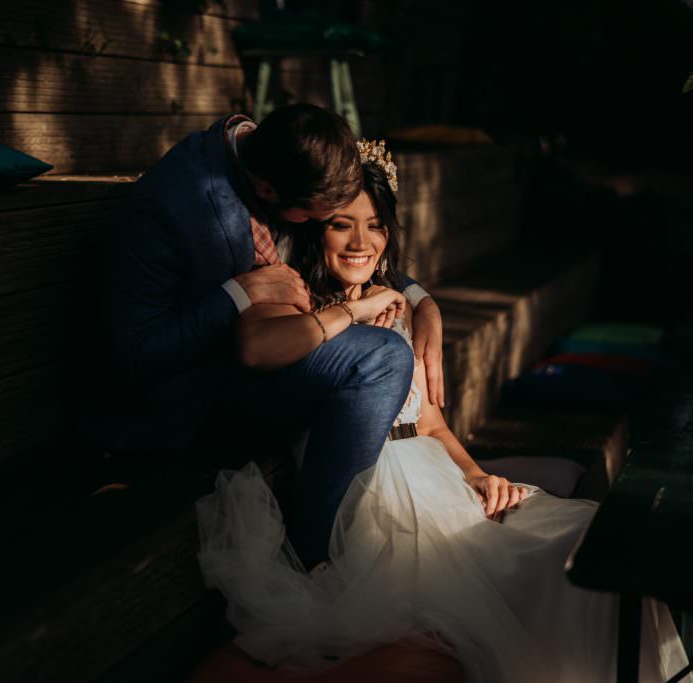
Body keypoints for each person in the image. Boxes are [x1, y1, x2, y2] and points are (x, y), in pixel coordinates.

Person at [194, 143, 690, 682]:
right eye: (342, 225)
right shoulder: (295, 297)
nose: (361, 242)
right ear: (317, 228)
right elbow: (253, 348)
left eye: (376, 225)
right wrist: (350, 312)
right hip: (371, 496)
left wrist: (478, 475)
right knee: (478, 619)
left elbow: (430, 422)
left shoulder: (401, 300)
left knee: (589, 543)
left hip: (439, 481)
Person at [100, 104, 443, 567]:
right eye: (315, 218)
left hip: (272, 351)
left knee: (382, 350)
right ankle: (319, 559)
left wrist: (421, 299)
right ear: (267, 191)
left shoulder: (278, 154)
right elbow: (133, 356)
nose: (316, 227)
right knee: (380, 357)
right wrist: (234, 295)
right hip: (192, 397)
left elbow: (354, 246)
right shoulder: (168, 207)